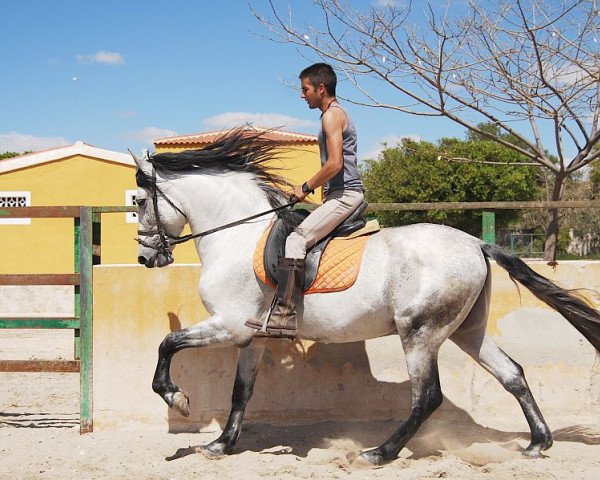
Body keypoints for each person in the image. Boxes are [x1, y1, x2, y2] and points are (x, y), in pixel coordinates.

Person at [262, 63, 364, 337]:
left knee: (296, 239)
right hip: (337, 195)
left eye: (305, 89)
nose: (302, 95)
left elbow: (334, 163)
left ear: (321, 88)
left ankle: (284, 315)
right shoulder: (332, 115)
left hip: (345, 195)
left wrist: (305, 187)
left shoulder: (331, 116)